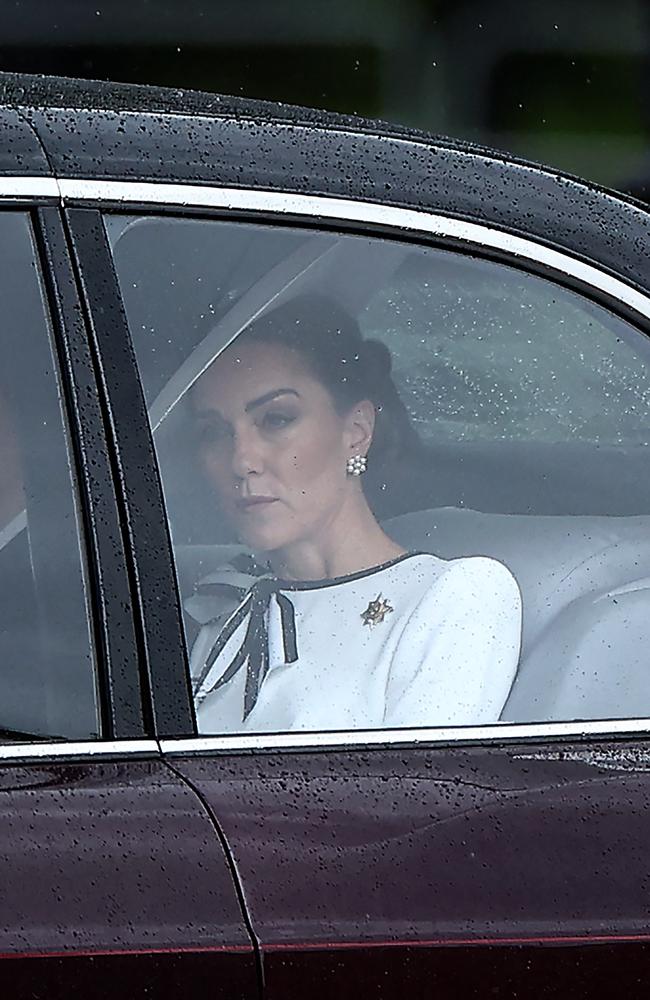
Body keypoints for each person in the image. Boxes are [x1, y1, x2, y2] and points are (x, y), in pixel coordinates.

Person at [185, 295, 522, 733]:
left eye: (276, 419)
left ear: (356, 431)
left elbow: (421, 794)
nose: (241, 460)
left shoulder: (454, 597)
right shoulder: (227, 601)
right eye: (214, 432)